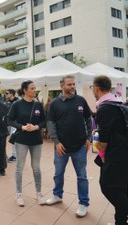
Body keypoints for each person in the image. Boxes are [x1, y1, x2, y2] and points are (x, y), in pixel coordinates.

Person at [91, 75, 128, 225]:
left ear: (96, 88)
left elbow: (104, 137)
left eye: (92, 88)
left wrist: (101, 154)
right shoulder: (119, 103)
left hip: (116, 155)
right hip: (127, 152)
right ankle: (120, 222)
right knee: (120, 187)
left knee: (107, 186)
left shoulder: (105, 108)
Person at [46, 75, 92, 217]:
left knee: (82, 176)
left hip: (79, 146)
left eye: (73, 84)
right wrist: (56, 142)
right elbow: (51, 124)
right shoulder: (54, 103)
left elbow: (88, 118)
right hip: (61, 147)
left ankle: (83, 203)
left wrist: (89, 137)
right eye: (69, 84)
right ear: (62, 86)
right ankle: (57, 195)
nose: (72, 87)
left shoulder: (81, 101)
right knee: (58, 173)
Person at [8, 81, 46, 207]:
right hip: (21, 139)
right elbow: (9, 120)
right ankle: (19, 194)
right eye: (32, 88)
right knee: (20, 167)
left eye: (35, 88)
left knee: (36, 167)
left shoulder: (38, 105)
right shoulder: (17, 104)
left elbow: (44, 121)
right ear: (25, 90)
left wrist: (36, 127)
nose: (35, 90)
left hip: (36, 140)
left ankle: (39, 193)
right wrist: (22, 127)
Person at [5, 89, 18, 163]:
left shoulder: (18, 102)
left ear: (12, 94)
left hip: (15, 123)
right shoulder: (6, 102)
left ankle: (15, 156)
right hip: (8, 123)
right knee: (10, 139)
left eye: (7, 93)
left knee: (14, 139)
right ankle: (13, 155)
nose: (6, 94)